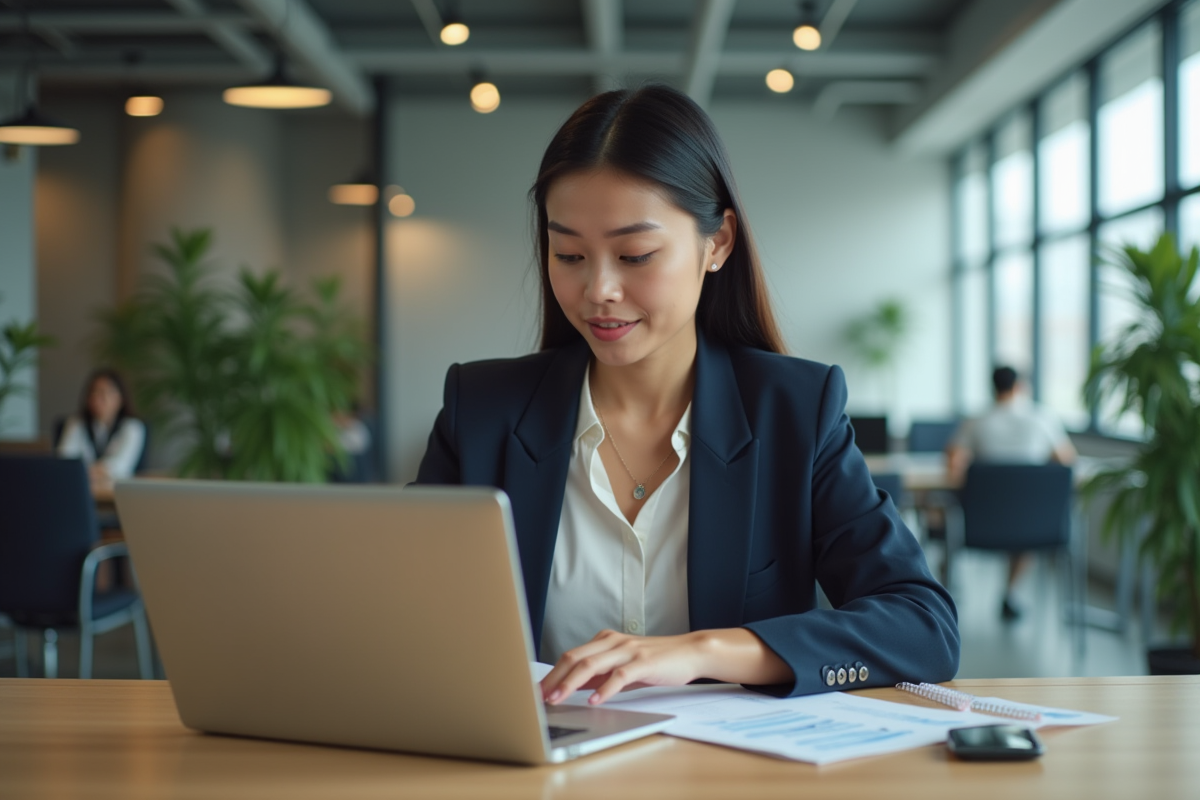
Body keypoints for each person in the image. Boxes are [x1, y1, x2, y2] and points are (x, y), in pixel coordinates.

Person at [415, 85, 958, 704]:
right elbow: (402, 611)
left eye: (635, 254)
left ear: (717, 243)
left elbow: (924, 627)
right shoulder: (481, 409)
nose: (599, 290)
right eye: (568, 253)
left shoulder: (795, 411)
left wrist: (705, 650)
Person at [946, 366, 1077, 620]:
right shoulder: (1042, 418)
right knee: (1028, 513)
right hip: (1032, 526)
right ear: (1020, 387)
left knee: (947, 516)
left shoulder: (977, 420)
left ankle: (944, 592)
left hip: (978, 522)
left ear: (993, 388)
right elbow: (1066, 460)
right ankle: (1009, 593)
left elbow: (953, 460)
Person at [57, 368, 146, 499]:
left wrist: (83, 470)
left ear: (120, 398)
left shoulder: (132, 427)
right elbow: (63, 463)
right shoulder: (76, 424)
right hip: (77, 493)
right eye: (96, 392)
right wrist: (99, 471)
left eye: (107, 392)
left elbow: (120, 468)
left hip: (118, 498)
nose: (101, 398)